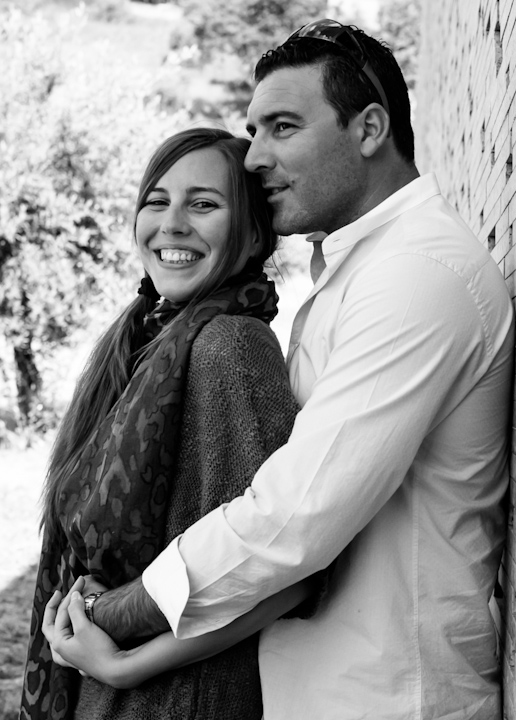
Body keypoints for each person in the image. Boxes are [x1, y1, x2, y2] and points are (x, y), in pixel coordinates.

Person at [49, 19, 516, 720]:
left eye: (283, 127)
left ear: (369, 129)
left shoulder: (417, 274)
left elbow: (293, 516)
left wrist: (118, 615)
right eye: (253, 128)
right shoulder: (354, 276)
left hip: (385, 696)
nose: (255, 156)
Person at [22, 127, 310, 719]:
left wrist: (126, 664)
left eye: (203, 204)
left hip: (178, 700)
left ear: (253, 231)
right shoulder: (145, 342)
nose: (172, 224)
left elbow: (282, 573)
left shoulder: (229, 348)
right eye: (157, 201)